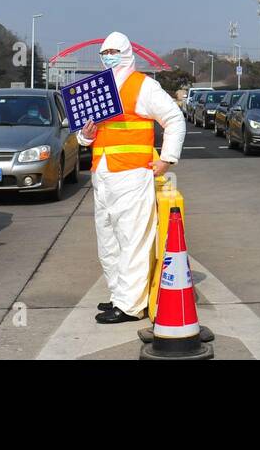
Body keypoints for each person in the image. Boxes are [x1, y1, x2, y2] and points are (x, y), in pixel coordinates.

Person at [76, 31, 186, 324]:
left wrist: (166, 159)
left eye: (114, 50)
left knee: (133, 238)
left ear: (126, 53)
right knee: (109, 240)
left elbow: (174, 119)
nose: (108, 55)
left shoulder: (143, 86)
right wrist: (86, 136)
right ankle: (118, 295)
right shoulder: (96, 90)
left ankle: (130, 306)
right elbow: (83, 136)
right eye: (104, 51)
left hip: (133, 175)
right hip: (103, 175)